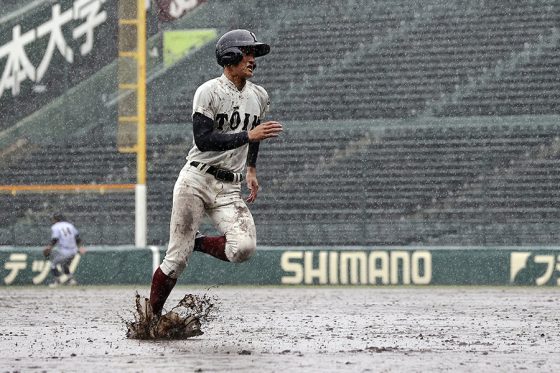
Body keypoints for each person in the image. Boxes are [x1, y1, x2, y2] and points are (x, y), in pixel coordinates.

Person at [149, 29, 283, 316]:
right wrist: (248, 136)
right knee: (176, 258)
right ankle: (152, 317)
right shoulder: (209, 91)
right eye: (247, 53)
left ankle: (198, 242)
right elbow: (204, 140)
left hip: (228, 187)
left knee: (243, 248)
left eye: (253, 54)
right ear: (229, 56)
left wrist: (251, 167)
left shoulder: (259, 95)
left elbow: (254, 136)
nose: (253, 59)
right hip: (196, 179)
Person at [43, 213, 85, 287]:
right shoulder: (69, 225)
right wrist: (80, 247)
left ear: (55, 219)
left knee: (53, 264)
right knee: (64, 265)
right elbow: (77, 237)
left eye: (53, 219)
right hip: (74, 250)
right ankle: (71, 280)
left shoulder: (55, 226)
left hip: (64, 251)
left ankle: (57, 281)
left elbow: (55, 239)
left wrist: (49, 247)